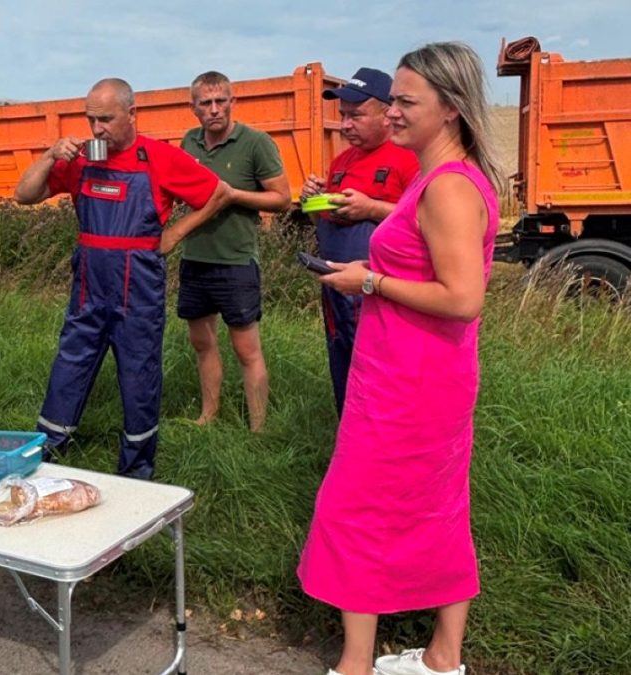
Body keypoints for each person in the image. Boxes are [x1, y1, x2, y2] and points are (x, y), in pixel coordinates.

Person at [296, 43, 503, 675]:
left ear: (451, 109)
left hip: (410, 383)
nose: (392, 114)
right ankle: (443, 657)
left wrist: (370, 282)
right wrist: (370, 269)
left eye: (407, 103)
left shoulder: (445, 187)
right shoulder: (445, 178)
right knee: (434, 505)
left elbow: (464, 298)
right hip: (416, 374)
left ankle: (355, 665)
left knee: (354, 508)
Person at [14, 78, 231, 479]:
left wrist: (174, 234)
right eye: (91, 120)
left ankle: (135, 470)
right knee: (69, 364)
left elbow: (217, 193)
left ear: (132, 114)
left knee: (139, 371)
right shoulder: (81, 159)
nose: (97, 130)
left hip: (138, 283)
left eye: (106, 120)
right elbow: (24, 195)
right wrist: (48, 156)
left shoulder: (159, 157)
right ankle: (45, 454)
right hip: (89, 282)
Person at [300, 68, 419, 416]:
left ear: (387, 113)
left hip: (379, 288)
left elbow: (425, 221)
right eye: (343, 117)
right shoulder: (341, 162)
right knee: (343, 364)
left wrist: (371, 208)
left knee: (378, 372)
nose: (345, 125)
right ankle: (348, 439)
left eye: (356, 116)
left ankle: (383, 448)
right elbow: (320, 220)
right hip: (337, 287)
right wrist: (314, 199)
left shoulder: (409, 158)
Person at [178, 71, 291, 432]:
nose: (214, 110)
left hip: (236, 262)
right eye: (205, 103)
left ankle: (258, 428)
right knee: (202, 342)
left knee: (246, 349)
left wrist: (233, 195)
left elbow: (282, 199)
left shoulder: (256, 143)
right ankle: (209, 414)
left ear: (232, 102)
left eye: (220, 101)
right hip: (195, 259)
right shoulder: (189, 143)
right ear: (193, 108)